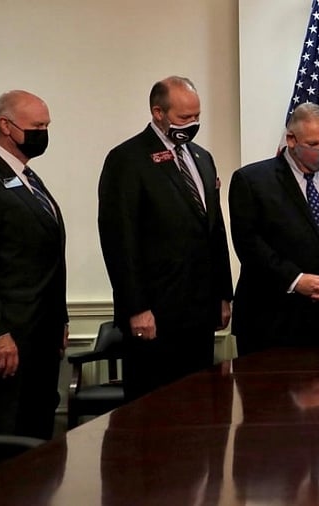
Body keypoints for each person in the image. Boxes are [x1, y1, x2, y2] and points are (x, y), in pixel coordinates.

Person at [98, 76, 233, 401]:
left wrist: (223, 293)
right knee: (154, 410)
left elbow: (214, 229)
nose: (192, 124)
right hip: (155, 313)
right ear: (158, 112)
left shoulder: (201, 157)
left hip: (199, 312)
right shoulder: (128, 159)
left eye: (197, 116)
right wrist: (136, 308)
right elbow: (120, 240)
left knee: (199, 406)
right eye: (184, 118)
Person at [0, 90, 67, 440]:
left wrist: (60, 317)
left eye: (47, 125)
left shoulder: (27, 178)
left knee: (37, 442)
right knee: (1, 441)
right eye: (37, 126)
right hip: (7, 344)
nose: (44, 133)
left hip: (40, 337)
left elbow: (44, 256)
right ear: (6, 126)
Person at [228, 102, 319, 353]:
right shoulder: (252, 181)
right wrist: (295, 280)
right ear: (291, 139)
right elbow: (249, 243)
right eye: (312, 144)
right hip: (272, 323)